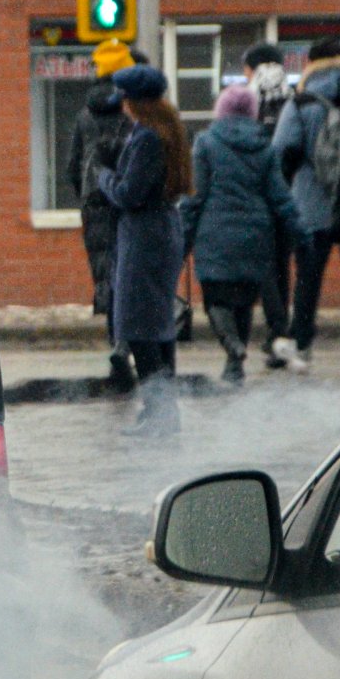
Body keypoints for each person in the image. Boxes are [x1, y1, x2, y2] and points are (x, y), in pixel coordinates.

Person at [180, 84, 308, 386]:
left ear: (220, 110)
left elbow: (195, 196)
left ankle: (232, 347)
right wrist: (299, 229)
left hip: (215, 233)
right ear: (252, 112)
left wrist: (183, 236)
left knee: (215, 300)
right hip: (255, 234)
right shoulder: (264, 146)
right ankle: (233, 366)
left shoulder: (207, 143)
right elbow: (280, 196)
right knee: (243, 301)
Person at [98, 64, 194, 436]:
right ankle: (161, 411)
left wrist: (103, 177)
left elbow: (127, 193)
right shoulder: (165, 130)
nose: (120, 105)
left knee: (139, 328)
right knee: (157, 327)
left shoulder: (148, 138)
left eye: (123, 99)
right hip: (160, 231)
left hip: (145, 237)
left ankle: (159, 413)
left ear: (134, 102)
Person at [272, 36, 340, 373]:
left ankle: (303, 345)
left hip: (310, 206)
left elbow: (283, 148)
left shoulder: (302, 102)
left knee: (308, 279)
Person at [67, 38, 138, 388]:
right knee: (130, 272)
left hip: (94, 205)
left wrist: (86, 195)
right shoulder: (132, 110)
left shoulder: (85, 113)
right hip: (127, 201)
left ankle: (116, 346)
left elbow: (72, 166)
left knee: (107, 275)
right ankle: (128, 345)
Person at [242, 42, 299, 368]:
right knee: (281, 264)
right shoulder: (292, 96)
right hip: (289, 195)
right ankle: (283, 330)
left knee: (263, 265)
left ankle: (278, 330)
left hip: (258, 196)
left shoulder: (249, 99)